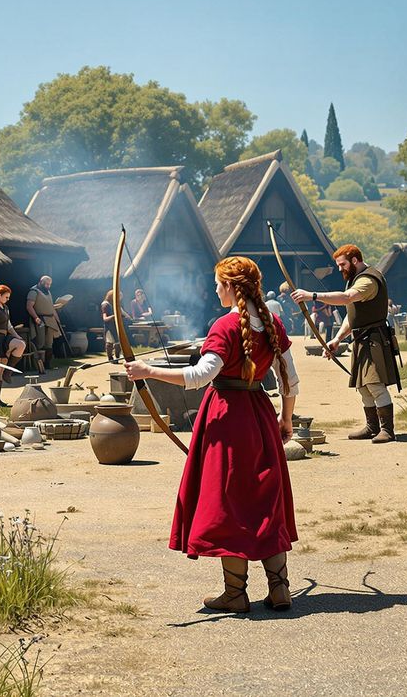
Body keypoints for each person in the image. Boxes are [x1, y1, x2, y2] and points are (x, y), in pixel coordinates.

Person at [125, 256, 299, 613]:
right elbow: (289, 379)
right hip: (261, 416)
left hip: (228, 420)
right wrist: (286, 419)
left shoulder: (225, 325)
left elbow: (199, 376)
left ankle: (235, 594)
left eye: (219, 283)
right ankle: (279, 588)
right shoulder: (272, 322)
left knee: (231, 504)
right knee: (263, 501)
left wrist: (147, 370)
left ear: (232, 287)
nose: (215, 289)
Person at [293, 244, 402, 444]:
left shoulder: (368, 280)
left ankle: (387, 430)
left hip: (374, 340)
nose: (340, 269)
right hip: (362, 339)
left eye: (342, 264)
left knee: (375, 385)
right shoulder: (355, 279)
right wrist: (337, 339)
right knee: (363, 386)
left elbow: (347, 298)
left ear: (354, 260)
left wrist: (312, 296)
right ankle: (372, 427)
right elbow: (352, 314)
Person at [24, 275, 62, 374]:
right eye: (46, 283)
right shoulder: (34, 291)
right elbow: (29, 306)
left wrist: (57, 320)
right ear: (41, 282)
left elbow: (51, 308)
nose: (48, 286)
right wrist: (36, 317)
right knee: (40, 342)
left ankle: (47, 364)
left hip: (50, 320)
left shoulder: (48, 292)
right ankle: (38, 366)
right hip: (40, 319)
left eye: (49, 284)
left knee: (49, 343)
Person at [100, 289, 128, 362]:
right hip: (109, 327)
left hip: (116, 326)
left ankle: (117, 358)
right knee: (110, 343)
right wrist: (114, 316)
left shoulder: (114, 304)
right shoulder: (105, 304)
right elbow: (105, 318)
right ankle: (110, 358)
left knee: (118, 343)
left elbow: (124, 314)